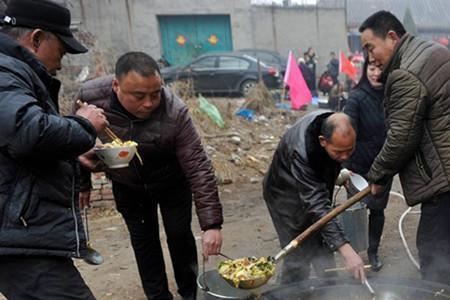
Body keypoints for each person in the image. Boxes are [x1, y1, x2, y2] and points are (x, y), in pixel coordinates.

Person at [77, 51, 223, 300]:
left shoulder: (175, 111)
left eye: (155, 94)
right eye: (139, 96)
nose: (149, 103)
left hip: (171, 182)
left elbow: (198, 166)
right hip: (128, 184)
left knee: (180, 237)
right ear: (116, 86)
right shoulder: (89, 100)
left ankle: (190, 293)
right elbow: (77, 138)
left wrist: (211, 225)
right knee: (145, 243)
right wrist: (82, 181)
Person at [0, 0, 109, 299]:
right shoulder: (4, 70)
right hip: (18, 233)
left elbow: (15, 148)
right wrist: (84, 126)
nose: (61, 64)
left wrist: (74, 157)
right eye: (60, 51)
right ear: (36, 39)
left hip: (19, 230)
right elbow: (28, 133)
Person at [360, 10, 450, 285]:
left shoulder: (405, 73)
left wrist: (377, 176)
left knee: (434, 255)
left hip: (443, 182)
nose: (368, 57)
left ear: (391, 37)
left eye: (369, 47)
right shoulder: (430, 51)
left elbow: (401, 136)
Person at [263, 111, 366, 284]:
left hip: (311, 190)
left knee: (323, 243)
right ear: (322, 141)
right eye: (339, 152)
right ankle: (290, 292)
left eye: (350, 150)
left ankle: (329, 288)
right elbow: (317, 204)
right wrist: (346, 250)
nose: (345, 157)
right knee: (298, 252)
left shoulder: (331, 127)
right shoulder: (302, 151)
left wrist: (338, 173)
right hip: (285, 197)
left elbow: (319, 188)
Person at [343, 57, 393, 272]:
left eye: (380, 68)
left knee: (378, 210)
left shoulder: (393, 96)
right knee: (355, 209)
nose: (375, 73)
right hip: (358, 166)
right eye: (371, 68)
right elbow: (345, 131)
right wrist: (344, 166)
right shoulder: (357, 97)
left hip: (384, 163)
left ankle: (373, 251)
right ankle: (352, 254)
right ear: (365, 70)